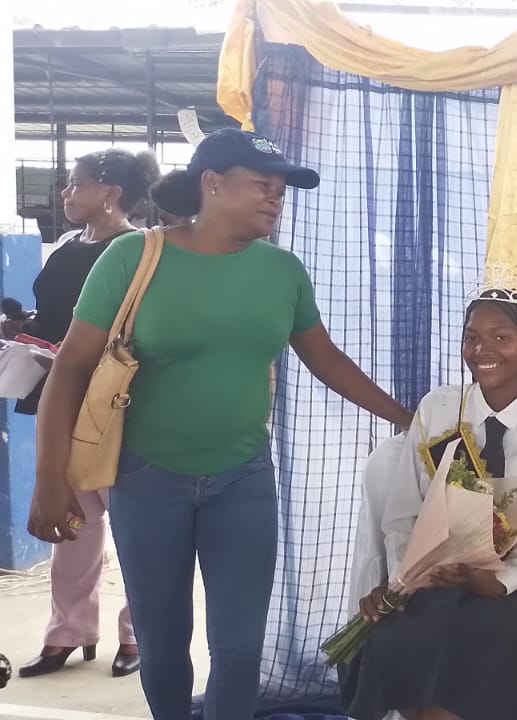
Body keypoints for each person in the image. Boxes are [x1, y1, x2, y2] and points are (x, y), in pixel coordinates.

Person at [26, 128, 412, 720]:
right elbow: (70, 369)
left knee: (238, 649)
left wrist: (410, 419)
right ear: (211, 183)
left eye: (280, 190)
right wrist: (48, 479)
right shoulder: (134, 257)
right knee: (162, 643)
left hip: (243, 480)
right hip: (144, 479)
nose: (275, 198)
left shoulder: (283, 271)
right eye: (262, 185)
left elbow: (327, 360)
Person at [341, 273, 517, 720]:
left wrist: (497, 580)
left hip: (515, 585)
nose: (482, 349)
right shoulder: (438, 408)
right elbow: (403, 514)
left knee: (476, 646)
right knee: (396, 640)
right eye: (471, 338)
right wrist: (405, 579)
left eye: (500, 337)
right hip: (431, 577)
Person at [15, 148, 160, 681]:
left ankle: (136, 631)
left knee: (137, 526)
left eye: (76, 184)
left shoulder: (138, 251)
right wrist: (22, 332)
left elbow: (140, 329)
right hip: (60, 397)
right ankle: (69, 630)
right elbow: (56, 317)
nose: (65, 194)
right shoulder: (68, 247)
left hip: (115, 405)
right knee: (71, 521)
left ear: (111, 193)